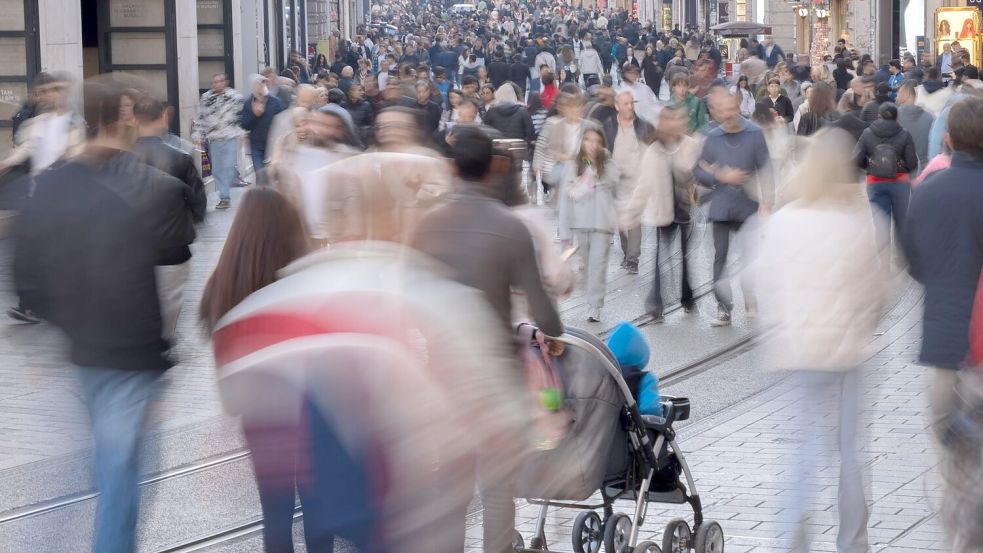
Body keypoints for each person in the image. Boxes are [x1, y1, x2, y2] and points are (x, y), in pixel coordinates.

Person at [14, 78, 189, 553]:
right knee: (119, 474)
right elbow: (172, 282)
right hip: (133, 353)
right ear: (125, 118)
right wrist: (163, 352)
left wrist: (69, 321)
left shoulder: (50, 184)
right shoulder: (156, 188)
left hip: (82, 349)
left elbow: (27, 276)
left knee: (107, 459)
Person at [410, 126, 563, 553]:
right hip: (497, 380)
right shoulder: (510, 227)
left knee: (450, 491)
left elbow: (409, 304)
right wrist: (550, 331)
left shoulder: (428, 225)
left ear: (450, 168)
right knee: (497, 492)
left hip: (443, 379)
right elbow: (546, 313)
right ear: (493, 167)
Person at [756, 127, 882, 553]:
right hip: (846, 353)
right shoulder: (858, 220)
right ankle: (853, 542)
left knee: (803, 451)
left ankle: (794, 541)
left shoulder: (785, 221)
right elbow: (876, 290)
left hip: (799, 352)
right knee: (849, 452)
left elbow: (765, 282)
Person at [199, 187, 317, 553]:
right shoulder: (302, 280)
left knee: (275, 514)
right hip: (310, 410)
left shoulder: (223, 283)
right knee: (319, 512)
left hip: (260, 417)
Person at [903, 95, 983, 553]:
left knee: (956, 463)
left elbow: (914, 263)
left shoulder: (929, 191)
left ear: (949, 139)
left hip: (945, 347)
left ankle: (961, 542)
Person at [0, 72, 86, 324]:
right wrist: (7, 162)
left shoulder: (76, 124)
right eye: (47, 91)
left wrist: (57, 166)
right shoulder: (37, 123)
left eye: (57, 89)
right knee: (26, 254)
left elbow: (77, 155)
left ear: (67, 93)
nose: (50, 95)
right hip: (35, 198)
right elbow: (27, 148)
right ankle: (29, 306)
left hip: (64, 200)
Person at [131, 96, 207, 343]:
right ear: (163, 117)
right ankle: (162, 341)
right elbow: (198, 203)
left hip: (131, 245)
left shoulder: (120, 159)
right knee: (170, 300)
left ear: (134, 120)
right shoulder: (181, 157)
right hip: (173, 245)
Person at [695, 91, 772, 327]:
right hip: (721, 206)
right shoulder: (712, 137)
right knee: (720, 256)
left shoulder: (754, 133)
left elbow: (766, 168)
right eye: (722, 111)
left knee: (749, 255)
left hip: (748, 204)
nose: (727, 114)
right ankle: (724, 307)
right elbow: (698, 171)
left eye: (731, 109)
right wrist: (720, 175)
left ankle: (750, 296)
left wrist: (768, 201)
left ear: (738, 108)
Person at [624, 105, 701, 322]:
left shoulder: (690, 145)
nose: (670, 124)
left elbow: (699, 172)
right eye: (665, 120)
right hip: (663, 211)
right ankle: (656, 304)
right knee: (660, 258)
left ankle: (687, 297)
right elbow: (644, 185)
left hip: (685, 209)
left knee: (685, 257)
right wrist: (631, 212)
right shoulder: (654, 151)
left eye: (673, 119)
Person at [554, 127, 619, 322]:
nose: (592, 145)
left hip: (602, 224)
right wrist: (564, 233)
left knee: (598, 265)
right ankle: (592, 299)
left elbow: (617, 187)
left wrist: (597, 171)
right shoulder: (573, 165)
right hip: (580, 223)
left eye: (597, 141)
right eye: (588, 140)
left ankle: (595, 305)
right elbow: (565, 200)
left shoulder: (608, 164)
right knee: (587, 266)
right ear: (582, 142)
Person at [604, 89, 654, 275]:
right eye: (625, 103)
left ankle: (633, 258)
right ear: (617, 106)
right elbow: (603, 150)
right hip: (615, 179)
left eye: (631, 103)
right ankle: (627, 253)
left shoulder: (643, 126)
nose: (629, 107)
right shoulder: (609, 125)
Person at [853, 102, 918, 236]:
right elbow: (912, 164)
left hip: (875, 182)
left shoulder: (867, 133)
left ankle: (883, 250)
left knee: (881, 227)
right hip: (900, 183)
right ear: (896, 117)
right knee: (901, 225)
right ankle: (900, 250)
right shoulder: (905, 134)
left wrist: (870, 165)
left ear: (879, 116)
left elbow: (857, 160)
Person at [193, 73, 244, 210]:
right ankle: (224, 197)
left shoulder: (235, 97)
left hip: (230, 136)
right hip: (214, 138)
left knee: (229, 166)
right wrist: (197, 135)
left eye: (220, 81)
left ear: (225, 82)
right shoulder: (206, 98)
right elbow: (200, 117)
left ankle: (225, 193)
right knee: (216, 170)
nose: (217, 84)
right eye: (214, 82)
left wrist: (243, 133)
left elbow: (242, 117)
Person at [895, 79, 935, 174]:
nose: (897, 95)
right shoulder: (930, 117)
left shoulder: (895, 116)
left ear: (907, 94)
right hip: (924, 169)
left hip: (902, 170)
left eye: (899, 92)